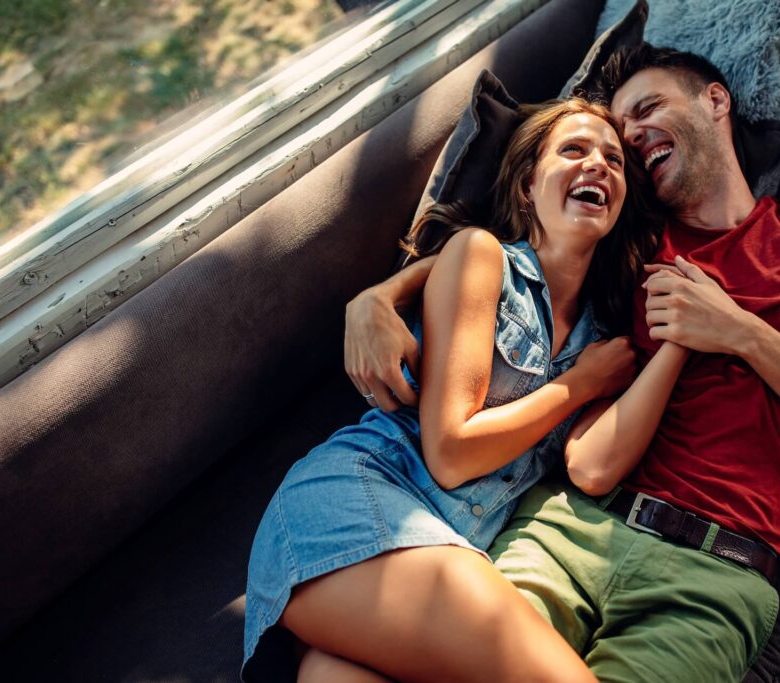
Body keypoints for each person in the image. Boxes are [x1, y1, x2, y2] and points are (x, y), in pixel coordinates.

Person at [344, 44, 780, 681]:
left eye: (647, 109)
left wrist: (741, 333)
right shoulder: (625, 245)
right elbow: (519, 254)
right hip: (565, 529)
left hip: (712, 576)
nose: (632, 137)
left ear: (715, 101)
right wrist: (379, 295)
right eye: (620, 133)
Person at [243, 98, 690, 683]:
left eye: (614, 161)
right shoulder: (482, 257)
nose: (599, 165)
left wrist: (680, 341)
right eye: (574, 150)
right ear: (528, 186)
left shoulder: (603, 339)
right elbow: (451, 453)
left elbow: (594, 469)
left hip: (444, 550)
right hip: (361, 501)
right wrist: (580, 385)